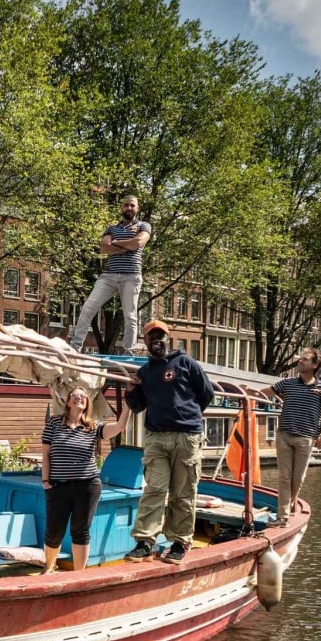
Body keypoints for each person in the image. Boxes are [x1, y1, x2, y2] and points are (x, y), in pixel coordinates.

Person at [124, 319, 214, 564]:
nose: (157, 341)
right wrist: (131, 390)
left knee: (183, 492)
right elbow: (137, 406)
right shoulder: (144, 372)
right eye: (152, 338)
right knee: (154, 488)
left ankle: (179, 541)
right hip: (156, 437)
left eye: (160, 336)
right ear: (146, 342)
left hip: (187, 436)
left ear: (168, 338)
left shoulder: (185, 363)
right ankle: (144, 541)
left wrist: (187, 415)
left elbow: (206, 394)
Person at [40, 384, 130, 572]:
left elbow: (119, 427)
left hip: (87, 486)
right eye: (74, 395)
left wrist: (128, 405)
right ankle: (48, 568)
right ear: (68, 402)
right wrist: (46, 481)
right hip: (58, 486)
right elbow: (46, 454)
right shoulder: (54, 423)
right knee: (54, 531)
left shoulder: (93, 426)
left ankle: (78, 574)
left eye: (82, 396)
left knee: (80, 530)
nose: (78, 397)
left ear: (87, 402)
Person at [265, 347, 321, 524]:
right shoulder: (287, 383)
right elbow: (265, 392)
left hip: (306, 438)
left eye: (305, 360)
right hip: (284, 435)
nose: (300, 361)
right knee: (284, 476)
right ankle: (283, 516)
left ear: (315, 365)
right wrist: (245, 392)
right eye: (300, 359)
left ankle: (292, 502)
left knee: (297, 478)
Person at [69, 194, 152, 354]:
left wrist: (116, 243)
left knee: (130, 315)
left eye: (132, 205)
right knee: (88, 308)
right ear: (121, 208)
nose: (129, 208)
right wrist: (128, 245)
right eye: (126, 205)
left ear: (137, 208)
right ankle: (75, 347)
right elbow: (104, 248)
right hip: (109, 275)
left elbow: (139, 242)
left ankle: (129, 352)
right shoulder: (111, 228)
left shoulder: (144, 226)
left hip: (131, 275)